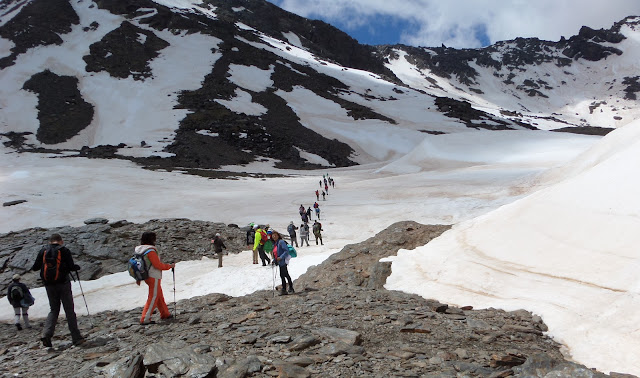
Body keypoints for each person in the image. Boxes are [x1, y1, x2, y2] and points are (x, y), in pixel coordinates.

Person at [31, 233, 84, 347]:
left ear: (50, 241)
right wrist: (76, 267)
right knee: (69, 310)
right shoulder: (64, 250)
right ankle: (76, 337)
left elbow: (35, 267)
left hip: (49, 285)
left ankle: (47, 334)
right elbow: (71, 266)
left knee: (54, 310)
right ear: (60, 241)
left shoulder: (43, 250)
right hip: (63, 283)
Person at [135, 231, 175, 325]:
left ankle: (165, 313)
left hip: (145, 275)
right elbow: (157, 265)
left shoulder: (139, 250)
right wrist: (169, 266)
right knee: (153, 296)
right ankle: (145, 318)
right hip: (153, 276)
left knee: (158, 295)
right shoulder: (151, 251)